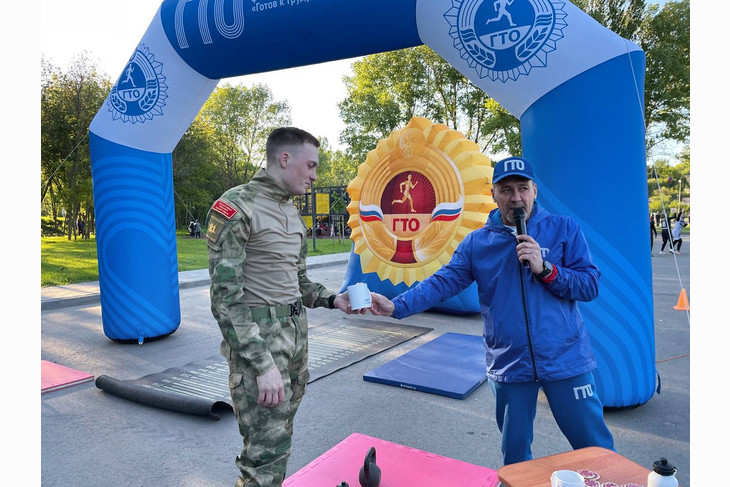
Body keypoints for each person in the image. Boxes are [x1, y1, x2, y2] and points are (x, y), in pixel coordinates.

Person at [370, 156, 615, 466]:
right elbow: (442, 283)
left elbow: (589, 285)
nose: (516, 198)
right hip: (510, 364)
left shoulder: (563, 229)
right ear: (494, 194)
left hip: (566, 360)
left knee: (595, 451)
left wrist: (547, 269)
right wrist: (398, 306)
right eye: (507, 189)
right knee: (515, 456)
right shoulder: (477, 243)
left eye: (523, 188)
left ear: (535, 191)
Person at [206, 127, 365, 487]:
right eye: (310, 166)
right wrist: (261, 364)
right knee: (263, 453)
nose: (314, 175)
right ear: (284, 159)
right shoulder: (236, 207)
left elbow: (300, 281)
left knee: (278, 441)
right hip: (260, 345)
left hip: (295, 341)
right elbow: (224, 298)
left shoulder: (292, 213)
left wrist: (333, 299)